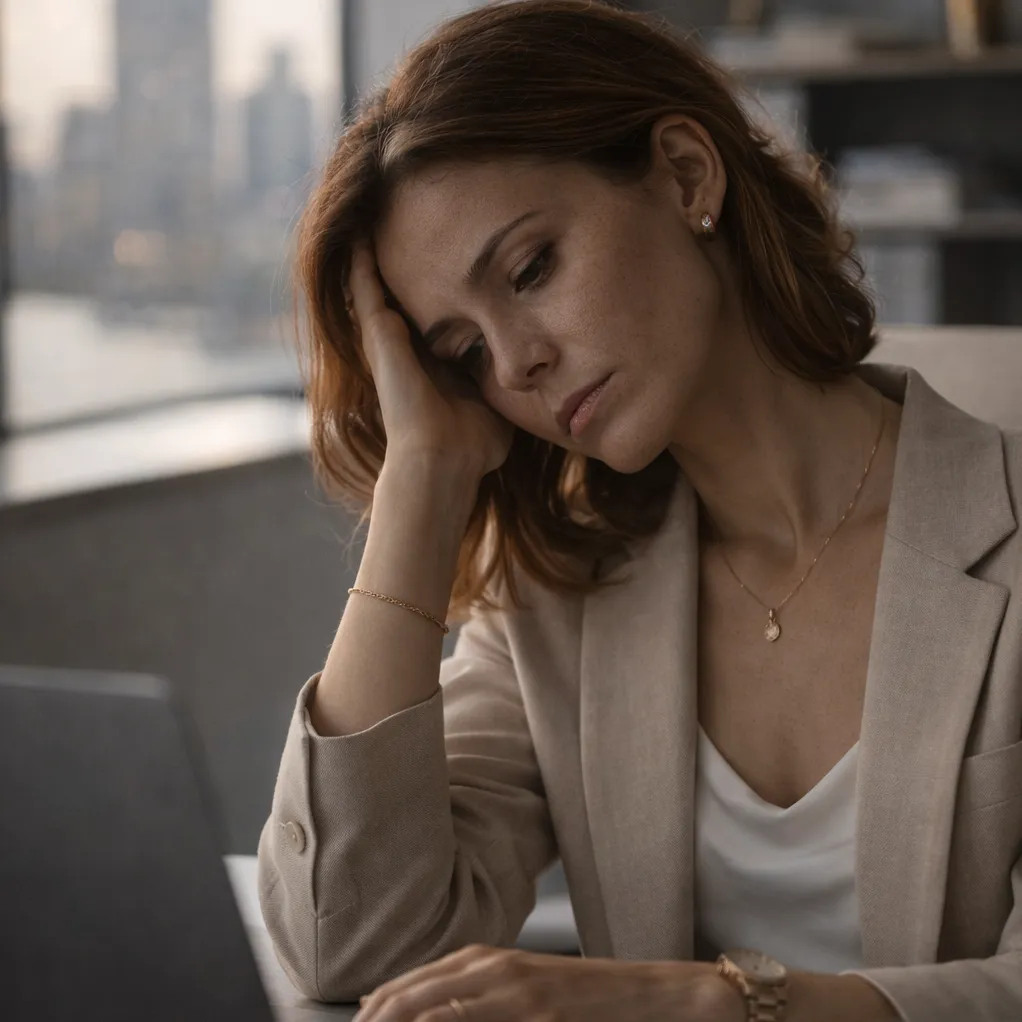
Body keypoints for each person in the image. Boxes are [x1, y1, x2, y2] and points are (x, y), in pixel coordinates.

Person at [257, 2, 1022, 1020]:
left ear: (683, 175)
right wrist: (420, 481)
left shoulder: (1001, 540)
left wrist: (711, 1003)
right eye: (462, 354)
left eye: (530, 269)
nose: (516, 361)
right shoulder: (557, 596)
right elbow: (343, 937)